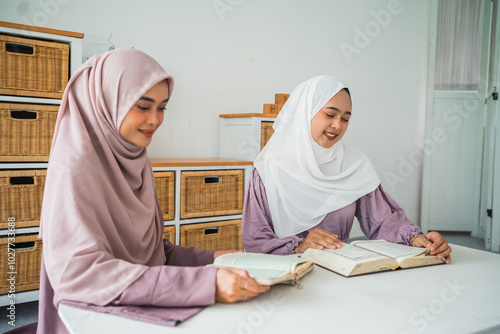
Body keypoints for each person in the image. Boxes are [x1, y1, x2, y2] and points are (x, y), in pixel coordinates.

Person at [35, 48, 269, 334]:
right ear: (107, 102)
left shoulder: (134, 160)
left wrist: (212, 259)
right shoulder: (74, 170)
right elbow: (81, 275)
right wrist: (205, 284)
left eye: (162, 108)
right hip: (90, 319)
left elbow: (148, 253)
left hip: (133, 309)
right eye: (143, 107)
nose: (155, 120)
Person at [240, 75, 452, 263]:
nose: (337, 126)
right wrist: (299, 247)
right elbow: (256, 240)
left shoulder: (354, 165)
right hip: (288, 277)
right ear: (305, 113)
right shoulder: (269, 171)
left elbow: (383, 221)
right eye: (330, 114)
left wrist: (416, 239)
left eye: (345, 119)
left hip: (342, 271)